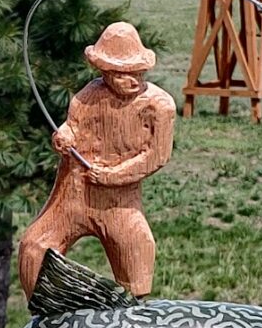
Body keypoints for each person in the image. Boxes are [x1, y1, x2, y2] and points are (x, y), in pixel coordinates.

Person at [18, 22, 176, 299]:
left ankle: (134, 319)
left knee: (137, 248)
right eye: (122, 74)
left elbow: (156, 156)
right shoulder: (89, 95)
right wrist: (63, 136)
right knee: (34, 248)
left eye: (138, 72)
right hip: (73, 194)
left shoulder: (159, 106)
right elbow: (71, 127)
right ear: (104, 72)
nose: (133, 80)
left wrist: (113, 176)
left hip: (118, 201)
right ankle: (47, 316)